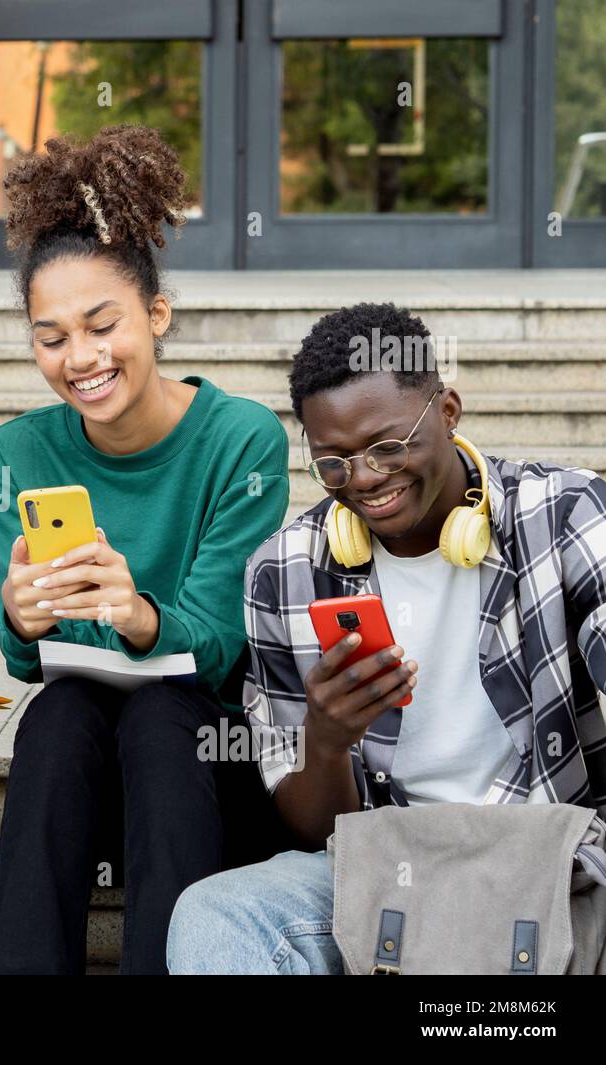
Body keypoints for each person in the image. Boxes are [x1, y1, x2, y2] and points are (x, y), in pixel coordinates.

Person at [166, 302, 606, 974]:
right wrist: (326, 737)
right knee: (215, 913)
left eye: (388, 446)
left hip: (555, 858)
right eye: (334, 464)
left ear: (449, 410)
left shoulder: (563, 514)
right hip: (391, 867)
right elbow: (317, 829)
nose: (366, 479)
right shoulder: (283, 572)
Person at [0, 125, 295, 975]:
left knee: (163, 715)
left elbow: (225, 647)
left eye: (101, 324)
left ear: (156, 315)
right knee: (57, 713)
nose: (80, 358)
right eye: (50, 337)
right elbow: (33, 661)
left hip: (205, 772)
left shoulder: (240, 439)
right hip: (80, 769)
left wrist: (142, 615)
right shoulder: (14, 457)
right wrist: (19, 617)